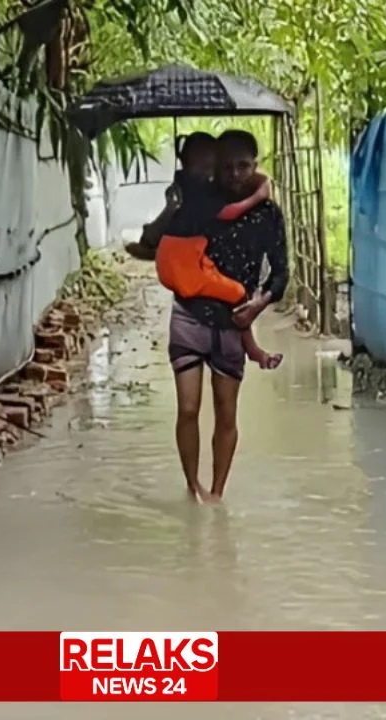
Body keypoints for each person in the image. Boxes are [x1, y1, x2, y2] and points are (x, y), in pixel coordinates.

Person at [166, 130, 288, 502]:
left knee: (226, 413)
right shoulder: (199, 203)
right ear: (216, 168)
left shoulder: (268, 214)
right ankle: (192, 486)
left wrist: (259, 304)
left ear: (255, 165)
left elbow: (281, 272)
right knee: (188, 409)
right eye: (227, 167)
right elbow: (166, 243)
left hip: (235, 321)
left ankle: (217, 494)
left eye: (243, 166)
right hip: (189, 316)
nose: (235, 174)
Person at [125, 132, 282, 370]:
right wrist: (171, 208)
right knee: (236, 293)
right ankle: (254, 350)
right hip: (190, 300)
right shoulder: (193, 197)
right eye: (197, 167)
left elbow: (281, 271)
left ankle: (252, 349)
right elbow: (151, 240)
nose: (205, 174)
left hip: (206, 286)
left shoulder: (261, 211)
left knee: (237, 295)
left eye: (210, 167)